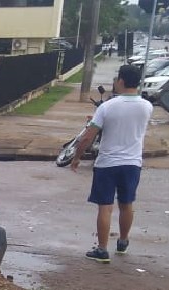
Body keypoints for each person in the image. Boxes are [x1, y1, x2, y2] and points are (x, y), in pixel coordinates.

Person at [70, 64, 153, 263]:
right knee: (126, 204)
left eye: (117, 79)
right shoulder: (146, 106)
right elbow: (128, 124)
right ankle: (123, 242)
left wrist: (76, 157)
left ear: (121, 81)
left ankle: (102, 249)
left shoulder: (107, 107)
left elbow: (89, 136)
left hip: (107, 163)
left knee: (105, 207)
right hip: (132, 163)